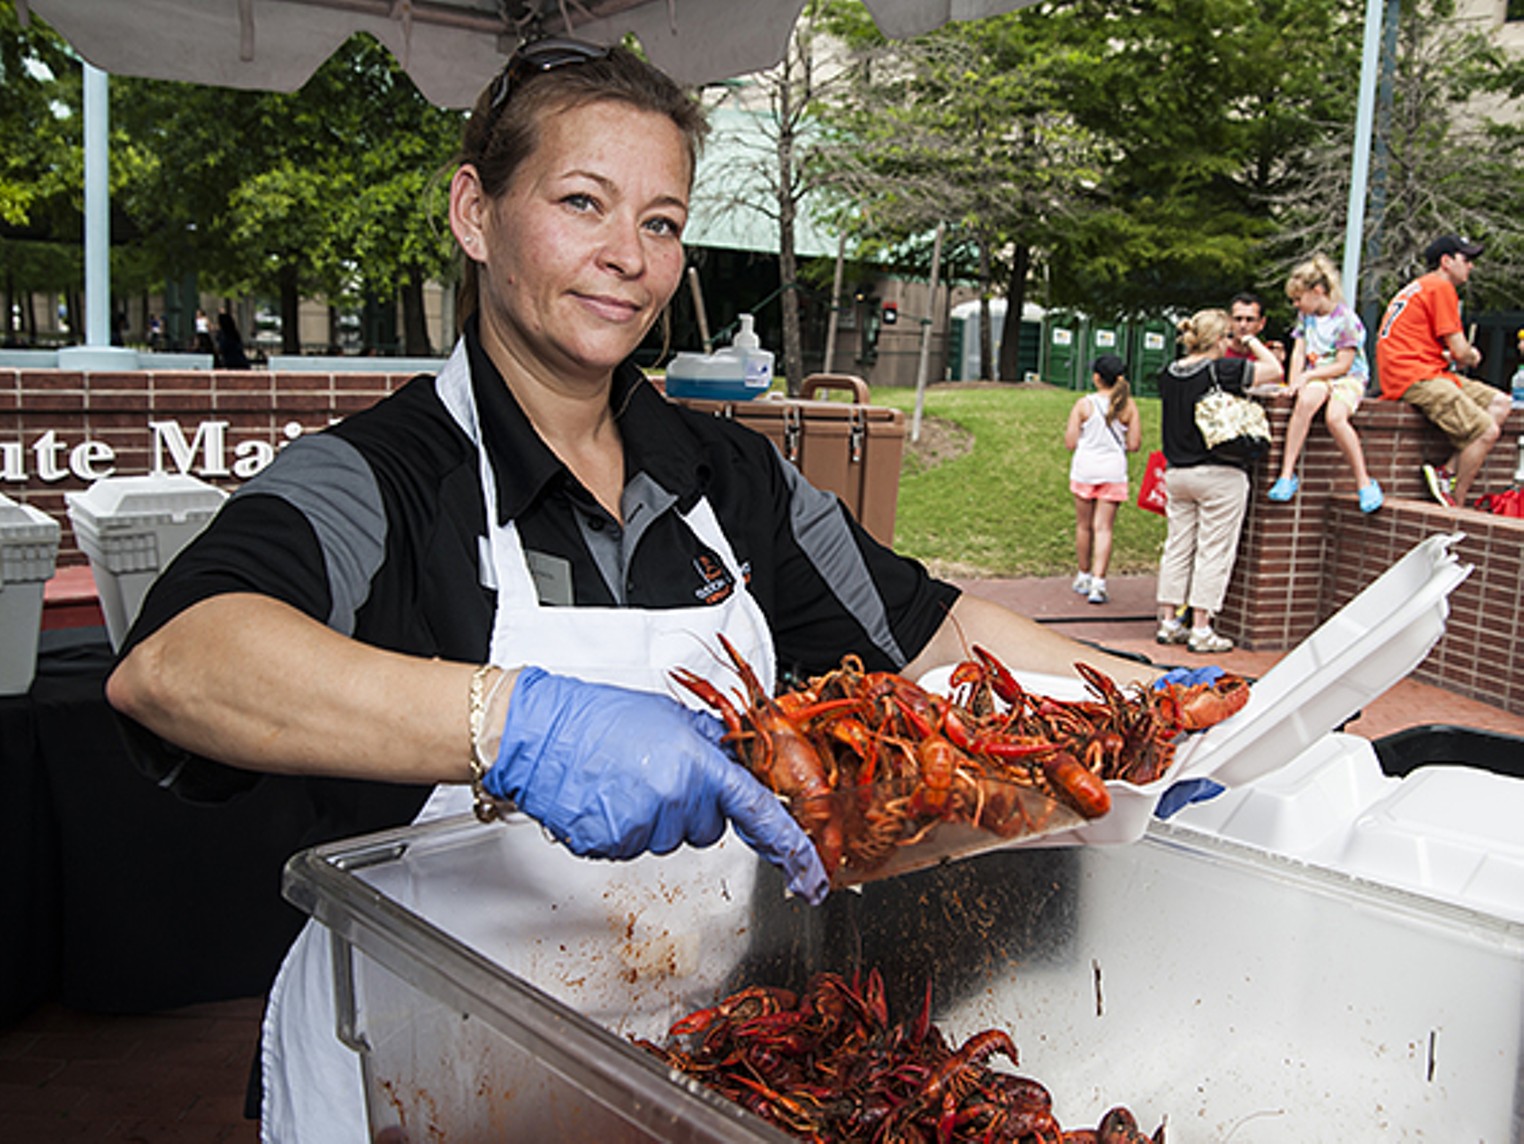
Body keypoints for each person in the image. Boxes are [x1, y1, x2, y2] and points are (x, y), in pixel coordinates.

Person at [104, 39, 1180, 1143]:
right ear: (475, 213)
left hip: (691, 1063)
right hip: (417, 1067)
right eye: (583, 202)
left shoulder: (732, 475)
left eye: (662, 223)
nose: (629, 256)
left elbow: (935, 627)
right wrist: (515, 723)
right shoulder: (381, 475)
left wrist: (1168, 705)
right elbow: (176, 663)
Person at [1154, 308, 1283, 654]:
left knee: (1177, 546)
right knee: (1214, 550)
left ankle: (1168, 621)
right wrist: (1252, 340)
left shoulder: (1169, 372)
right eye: (1229, 335)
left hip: (1177, 473)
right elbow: (1275, 370)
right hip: (1219, 472)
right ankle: (1201, 628)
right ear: (1217, 339)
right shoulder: (1221, 369)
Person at [1375, 234, 1510, 507]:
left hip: (1424, 368)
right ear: (1446, 261)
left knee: (1501, 403)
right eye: (1466, 259)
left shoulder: (1421, 287)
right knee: (1485, 432)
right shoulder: (1440, 287)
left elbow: (1429, 345)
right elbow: (1461, 352)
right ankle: (1455, 506)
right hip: (1414, 376)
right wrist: (1472, 355)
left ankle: (1446, 472)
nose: (1470, 266)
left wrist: (1455, 355)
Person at [1267, 254, 1382, 513]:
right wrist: (1294, 381)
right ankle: (1287, 473)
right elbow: (1299, 351)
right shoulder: (1306, 318)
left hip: (1346, 378)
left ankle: (1363, 479)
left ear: (1317, 291)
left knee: (1335, 418)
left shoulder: (1346, 321)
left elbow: (1343, 364)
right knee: (1305, 403)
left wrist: (1307, 376)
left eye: (1299, 298)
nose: (1296, 305)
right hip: (1318, 375)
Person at [1065, 353, 1141, 605]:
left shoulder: (1083, 405)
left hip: (1085, 468)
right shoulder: (1128, 406)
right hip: (1113, 470)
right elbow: (1134, 444)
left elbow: (1070, 442)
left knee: (1083, 526)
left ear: (1097, 378)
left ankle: (1083, 575)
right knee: (1104, 528)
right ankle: (1099, 582)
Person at [1223, 292, 1286, 364]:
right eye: (1238, 319)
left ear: (1261, 323)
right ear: (1229, 321)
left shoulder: (1268, 354)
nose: (1243, 325)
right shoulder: (1219, 352)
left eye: (1250, 320)